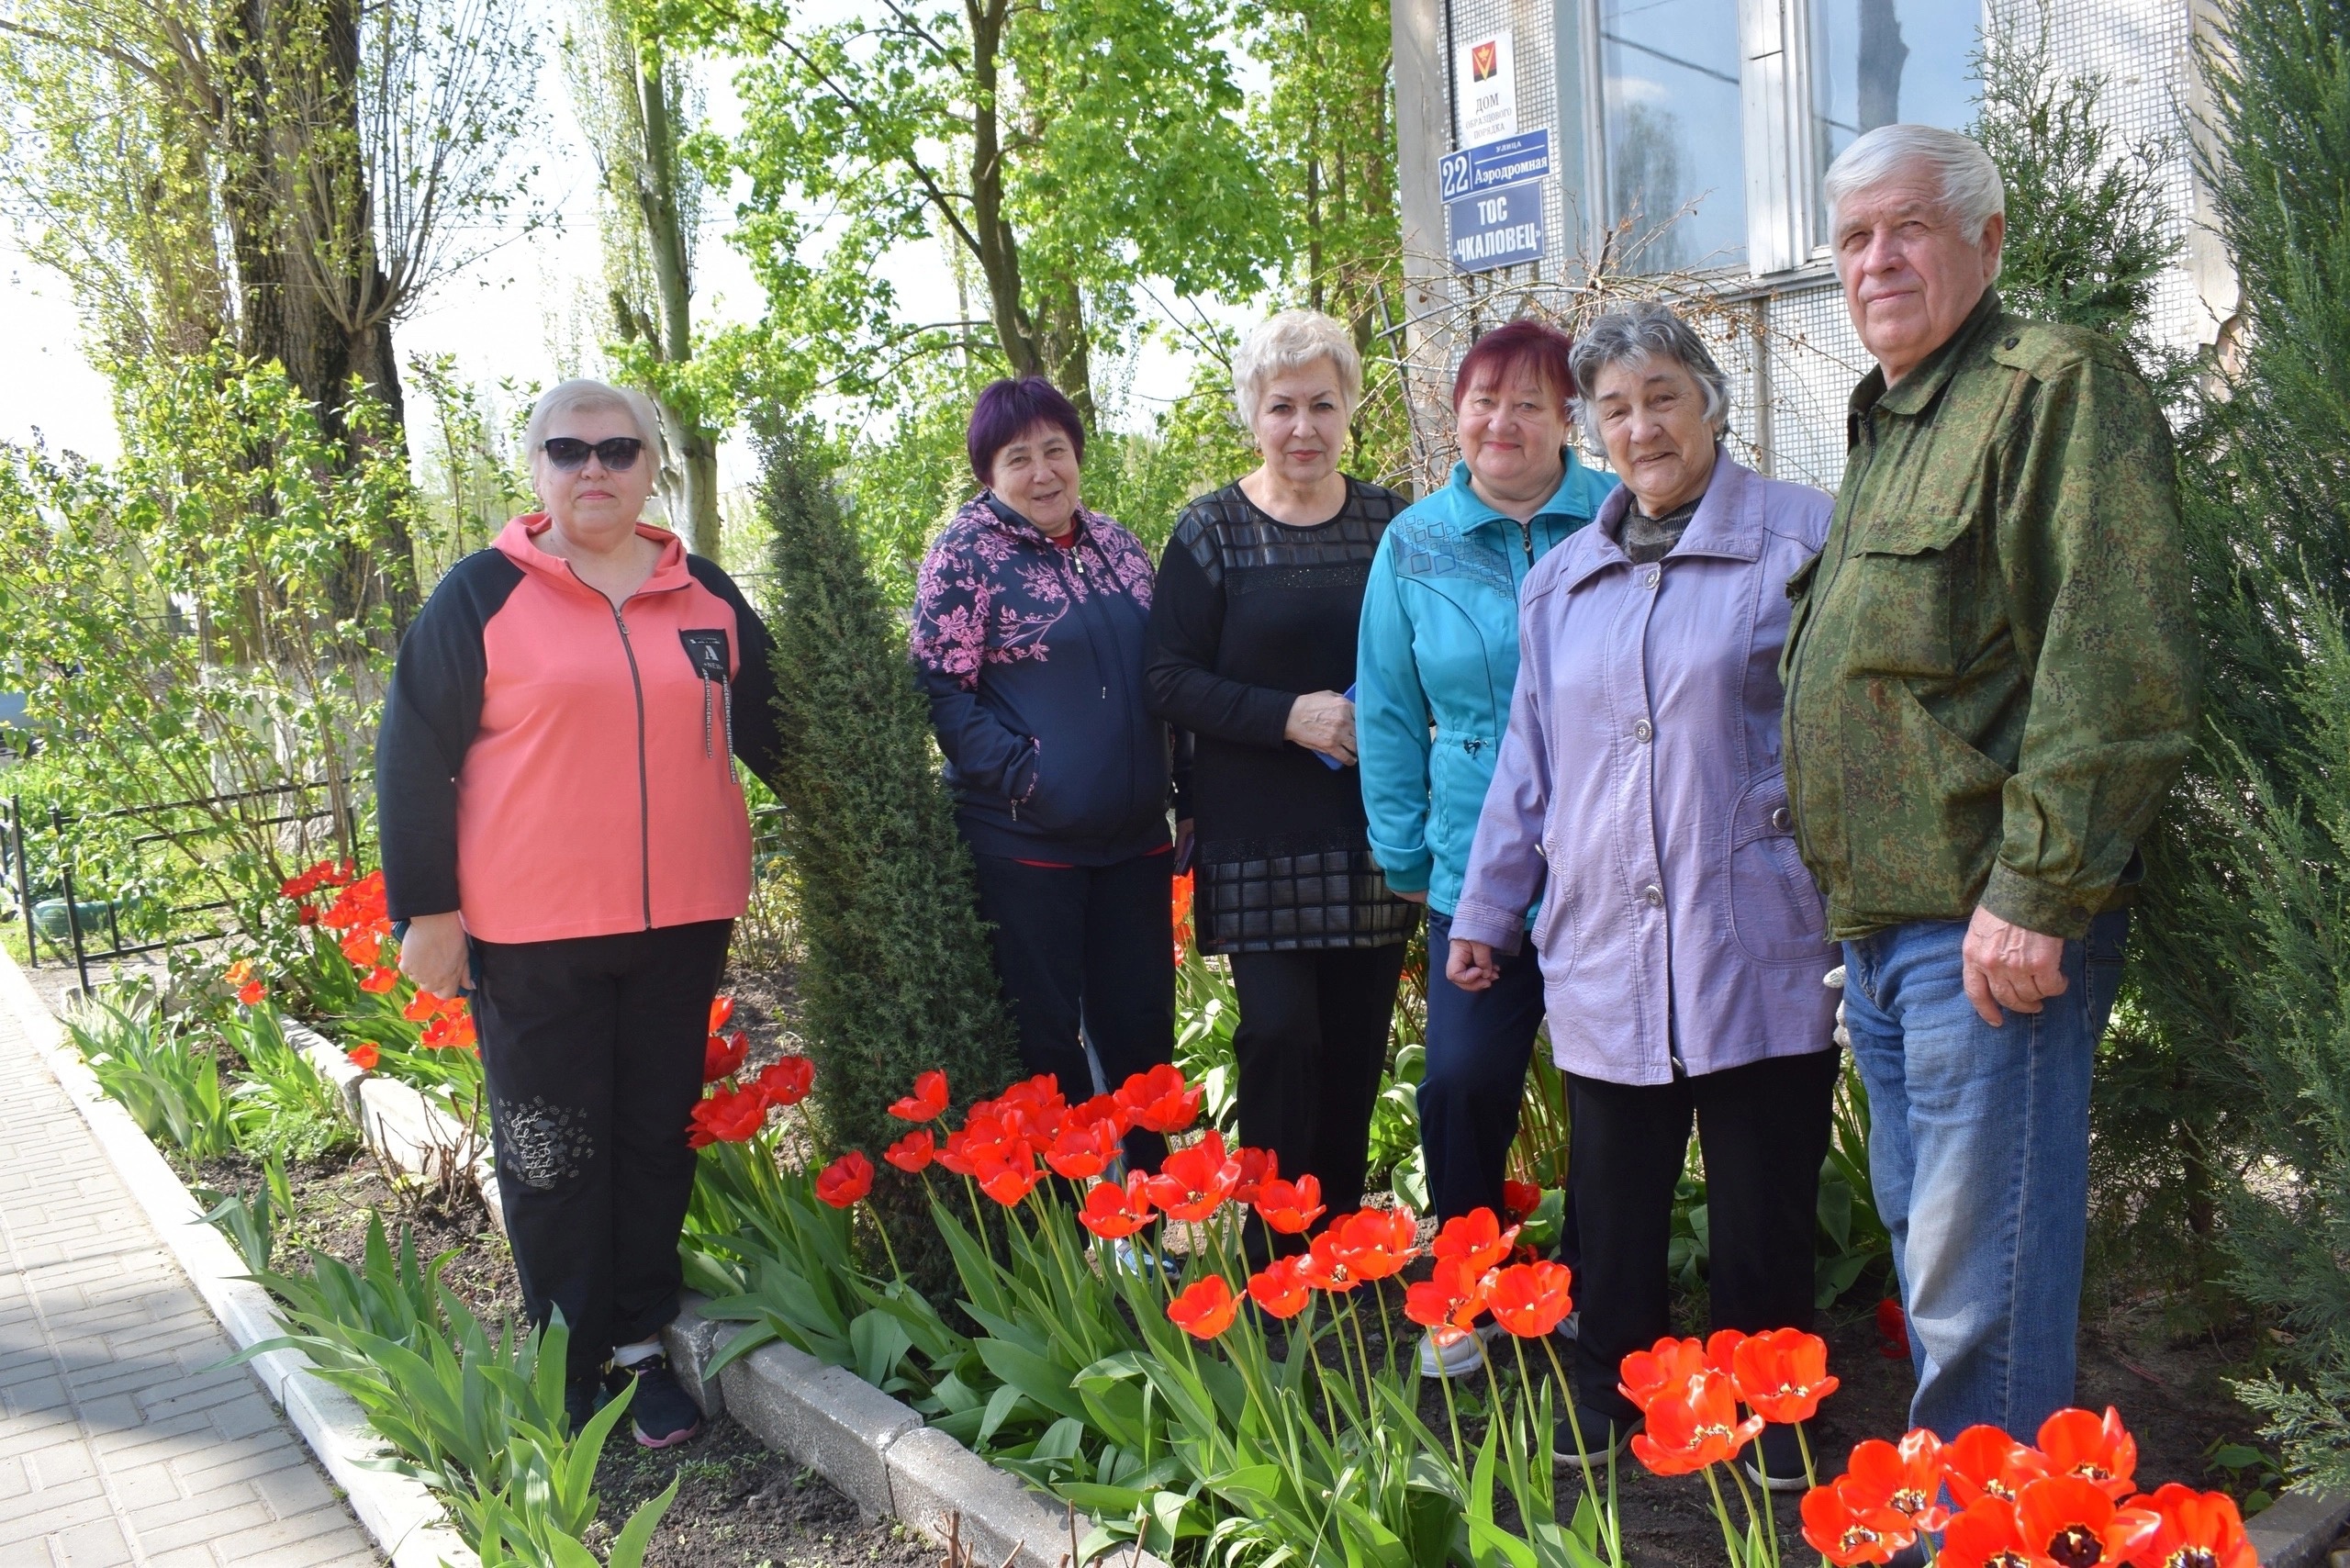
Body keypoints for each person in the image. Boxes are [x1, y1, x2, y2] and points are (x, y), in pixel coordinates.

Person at [1783, 124, 2199, 1440]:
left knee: (1981, 1294)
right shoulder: (1891, 417)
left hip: (1989, 928)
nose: (1879, 260)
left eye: (1909, 227)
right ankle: (1982, 1520)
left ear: (1989, 241)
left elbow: (2116, 656)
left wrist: (2039, 886)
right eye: (1854, 239)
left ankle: (1991, 1534)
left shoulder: (2047, 383)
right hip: (1890, 927)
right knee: (1938, 1272)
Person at [1449, 304, 1839, 1484]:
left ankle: (1773, 1421)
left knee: (1763, 1186)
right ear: (1591, 429)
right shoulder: (1564, 578)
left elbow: (1849, 734)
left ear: (1708, 401)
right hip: (1606, 937)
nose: (1640, 425)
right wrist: (1483, 910)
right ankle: (1619, 1407)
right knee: (1611, 1197)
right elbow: (1531, 760)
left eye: (1661, 396)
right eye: (1613, 407)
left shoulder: (1805, 538)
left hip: (1754, 921)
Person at [377, 377, 784, 1449]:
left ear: (653, 467)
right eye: (568, 451)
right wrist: (427, 909)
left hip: (682, 921)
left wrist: (876, 834)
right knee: (553, 1149)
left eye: (617, 448)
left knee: (655, 1135)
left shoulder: (708, 596)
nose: (592, 468)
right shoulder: (479, 595)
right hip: (534, 931)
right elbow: (412, 754)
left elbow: (783, 731)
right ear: (537, 472)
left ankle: (641, 1341)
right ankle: (573, 1354)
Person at [1357, 318, 1614, 1379]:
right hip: (1475, 864)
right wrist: (1409, 856)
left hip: (1612, 852)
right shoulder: (1413, 541)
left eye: (1527, 401)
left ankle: (1597, 1290)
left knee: (1616, 1093)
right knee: (1462, 1081)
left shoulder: (1618, 512)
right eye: (1480, 400)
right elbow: (1383, 705)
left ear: (1567, 416)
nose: (1500, 421)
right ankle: (1459, 1297)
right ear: (1453, 413)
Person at [1145, 310, 1420, 1260]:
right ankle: (1272, 1250)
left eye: (1322, 405)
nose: (1303, 427)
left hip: (1368, 827)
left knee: (1351, 1048)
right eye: (1281, 407)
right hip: (1256, 834)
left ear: (1349, 411)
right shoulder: (1210, 532)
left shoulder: (1390, 524)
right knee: (1277, 1038)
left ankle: (1338, 1244)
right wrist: (1284, 714)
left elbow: (1426, 654)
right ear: (1250, 416)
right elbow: (1166, 677)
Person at [910, 376, 1176, 1182]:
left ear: (1077, 455)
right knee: (1048, 1041)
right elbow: (938, 690)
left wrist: (1185, 792)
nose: (1042, 472)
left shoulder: (1120, 547)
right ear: (989, 472)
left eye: (1055, 450)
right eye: (1017, 457)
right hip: (1027, 844)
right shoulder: (965, 556)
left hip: (1133, 841)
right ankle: (1071, 1221)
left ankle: (1151, 1208)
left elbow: (1168, 673)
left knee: (1140, 1031)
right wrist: (1029, 779)